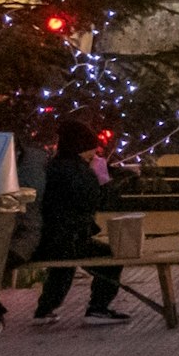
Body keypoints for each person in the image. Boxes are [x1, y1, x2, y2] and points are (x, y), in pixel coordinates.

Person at [25, 120, 125, 325]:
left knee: (62, 268)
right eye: (91, 150)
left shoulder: (53, 166)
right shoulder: (78, 171)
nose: (94, 155)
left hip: (46, 240)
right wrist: (102, 180)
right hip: (68, 239)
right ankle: (98, 308)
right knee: (109, 258)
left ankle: (44, 310)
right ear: (81, 148)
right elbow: (95, 201)